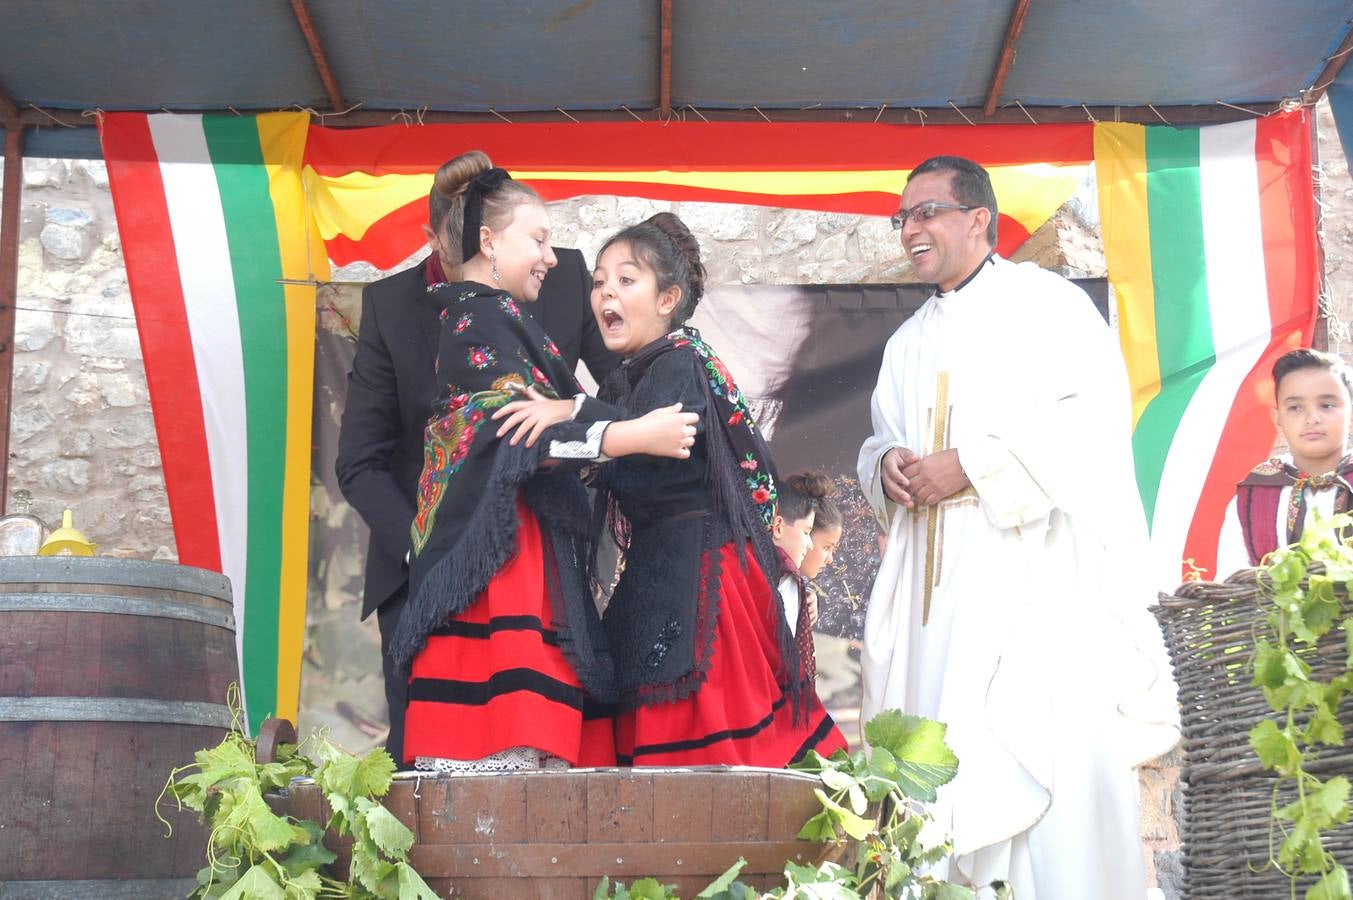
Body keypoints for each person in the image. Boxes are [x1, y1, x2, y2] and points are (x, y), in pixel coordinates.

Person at [856, 156, 1178, 897]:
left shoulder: (1047, 305)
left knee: (1028, 753)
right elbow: (881, 435)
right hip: (930, 597)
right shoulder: (905, 341)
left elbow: (1092, 421)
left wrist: (968, 465)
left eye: (926, 211)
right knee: (935, 762)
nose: (910, 229)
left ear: (978, 219)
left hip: (1024, 579)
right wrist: (888, 466)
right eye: (902, 217)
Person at [383, 153, 697, 773]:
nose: (553, 258)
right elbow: (521, 435)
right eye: (540, 239)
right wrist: (629, 436)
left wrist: (592, 420)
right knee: (508, 735)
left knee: (534, 744)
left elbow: (548, 419)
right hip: (500, 564)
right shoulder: (478, 322)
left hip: (522, 550)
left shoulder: (502, 320)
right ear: (489, 242)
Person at [501, 213, 848, 767]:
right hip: (663, 568)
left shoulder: (680, 362)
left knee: (708, 749)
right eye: (599, 281)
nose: (606, 292)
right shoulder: (633, 374)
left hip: (703, 578)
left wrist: (570, 416)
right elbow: (620, 439)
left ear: (668, 298)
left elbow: (660, 442)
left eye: (626, 279)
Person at [335, 152, 618, 766]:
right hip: (426, 567)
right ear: (437, 234)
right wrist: (434, 540)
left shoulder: (564, 275)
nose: (543, 253)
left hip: (540, 558)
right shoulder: (388, 304)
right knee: (431, 755)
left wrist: (592, 420)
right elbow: (359, 458)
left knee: (549, 738)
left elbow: (621, 385)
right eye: (449, 234)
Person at [1217, 348, 1353, 573]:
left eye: (1327, 405)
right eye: (1295, 408)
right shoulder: (1253, 497)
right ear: (1277, 417)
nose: (1312, 419)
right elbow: (1230, 583)